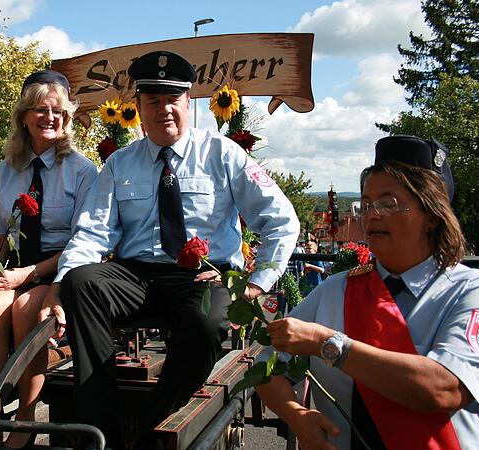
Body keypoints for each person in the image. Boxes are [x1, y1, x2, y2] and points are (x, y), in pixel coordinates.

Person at [38, 50, 300, 450]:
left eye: (172, 99)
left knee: (210, 320)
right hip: (135, 276)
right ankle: (99, 430)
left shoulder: (223, 154)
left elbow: (281, 220)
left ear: (188, 102)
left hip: (203, 277)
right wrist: (59, 285)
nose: (164, 110)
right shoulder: (118, 165)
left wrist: (255, 284)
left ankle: (150, 430)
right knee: (81, 282)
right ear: (138, 108)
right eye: (153, 101)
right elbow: (92, 233)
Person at [255, 136, 479, 450]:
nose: (372, 215)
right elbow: (266, 368)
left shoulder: (476, 292)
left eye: (388, 203)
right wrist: (297, 416)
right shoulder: (336, 290)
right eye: (366, 204)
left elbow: (445, 389)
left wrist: (328, 345)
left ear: (431, 214)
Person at [0, 70, 98, 450]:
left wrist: (27, 275)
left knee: (26, 309)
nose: (50, 118)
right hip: (13, 267)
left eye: (58, 112)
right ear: (24, 116)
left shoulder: (82, 171)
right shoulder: (6, 170)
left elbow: (85, 241)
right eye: (41, 110)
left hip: (60, 271)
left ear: (66, 119)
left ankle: (25, 421)